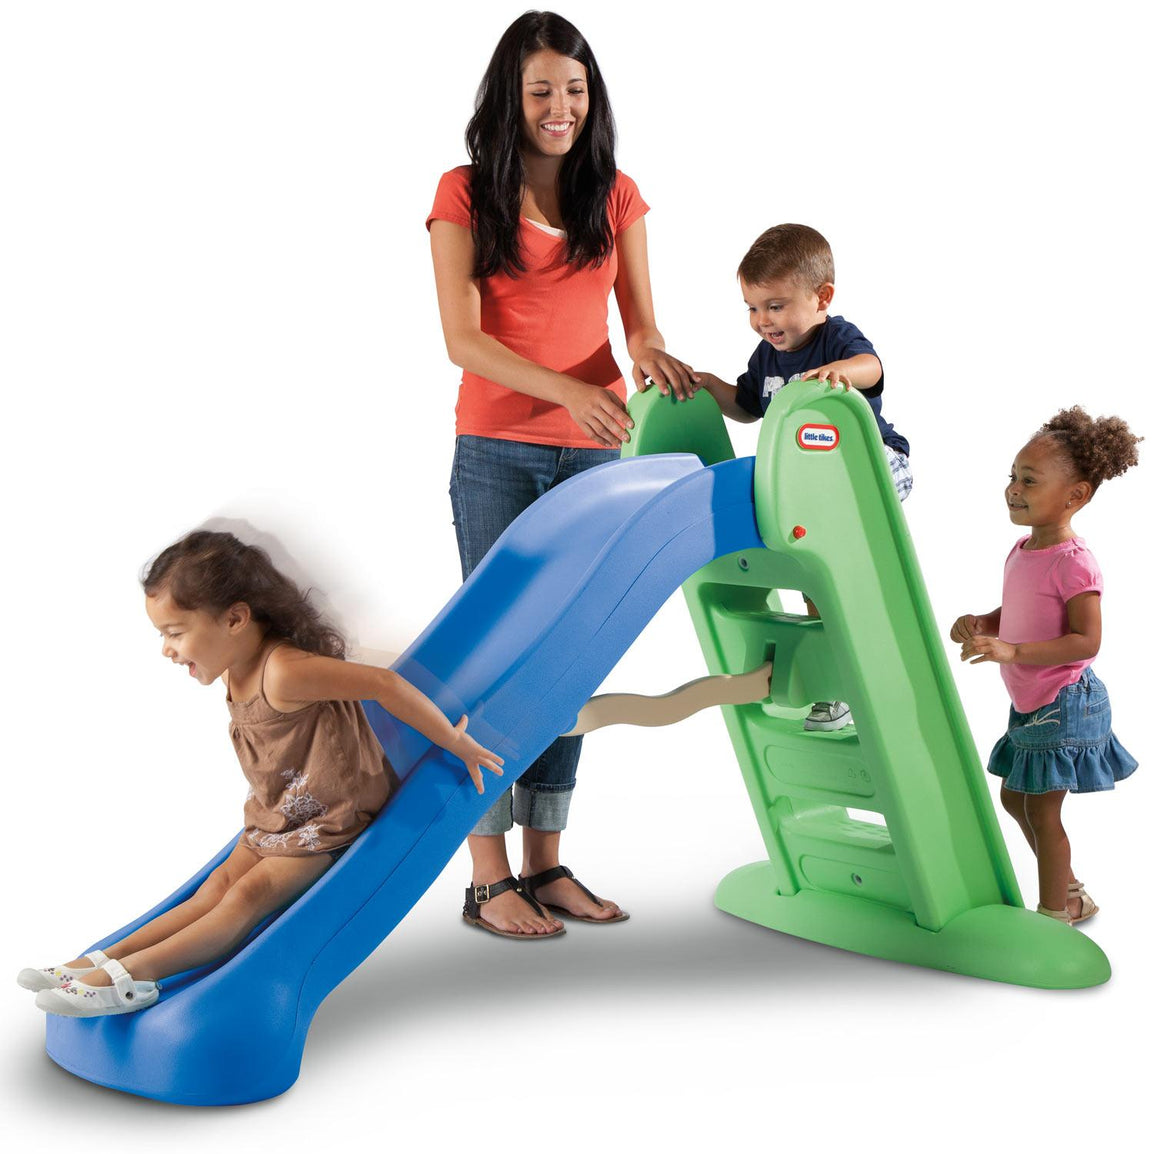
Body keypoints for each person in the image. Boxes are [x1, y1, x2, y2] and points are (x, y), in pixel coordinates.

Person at [427, 11, 695, 937]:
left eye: (574, 90)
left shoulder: (615, 196)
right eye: (541, 89)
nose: (560, 107)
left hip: (596, 453)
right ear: (510, 97)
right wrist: (568, 392)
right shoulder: (464, 192)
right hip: (495, 449)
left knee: (571, 654)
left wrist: (652, 358)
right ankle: (486, 874)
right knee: (493, 656)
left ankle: (545, 863)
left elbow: (640, 325)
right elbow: (463, 340)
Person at [18, 530, 503, 1016]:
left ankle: (128, 977)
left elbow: (384, 684)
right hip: (279, 815)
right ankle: (96, 962)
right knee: (213, 890)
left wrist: (454, 740)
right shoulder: (234, 666)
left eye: (175, 632)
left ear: (235, 619)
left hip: (332, 820)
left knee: (246, 895)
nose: (167, 649)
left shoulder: (284, 670)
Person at [673, 222, 911, 732]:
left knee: (836, 560)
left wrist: (842, 372)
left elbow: (872, 366)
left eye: (775, 306)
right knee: (815, 581)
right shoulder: (767, 357)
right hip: (811, 489)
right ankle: (837, 679)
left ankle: (855, 635)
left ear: (821, 298)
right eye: (752, 308)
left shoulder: (835, 338)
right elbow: (746, 406)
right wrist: (708, 385)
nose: (763, 320)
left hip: (874, 467)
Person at [950, 407, 1140, 924]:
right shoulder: (1023, 548)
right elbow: (1018, 610)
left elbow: (1086, 640)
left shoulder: (1074, 562)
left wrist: (1013, 652)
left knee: (1039, 809)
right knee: (1015, 798)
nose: (1013, 489)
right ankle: (1071, 890)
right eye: (1012, 476)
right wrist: (984, 621)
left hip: (1064, 699)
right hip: (1032, 700)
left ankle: (1056, 914)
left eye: (1029, 481)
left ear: (1075, 495)